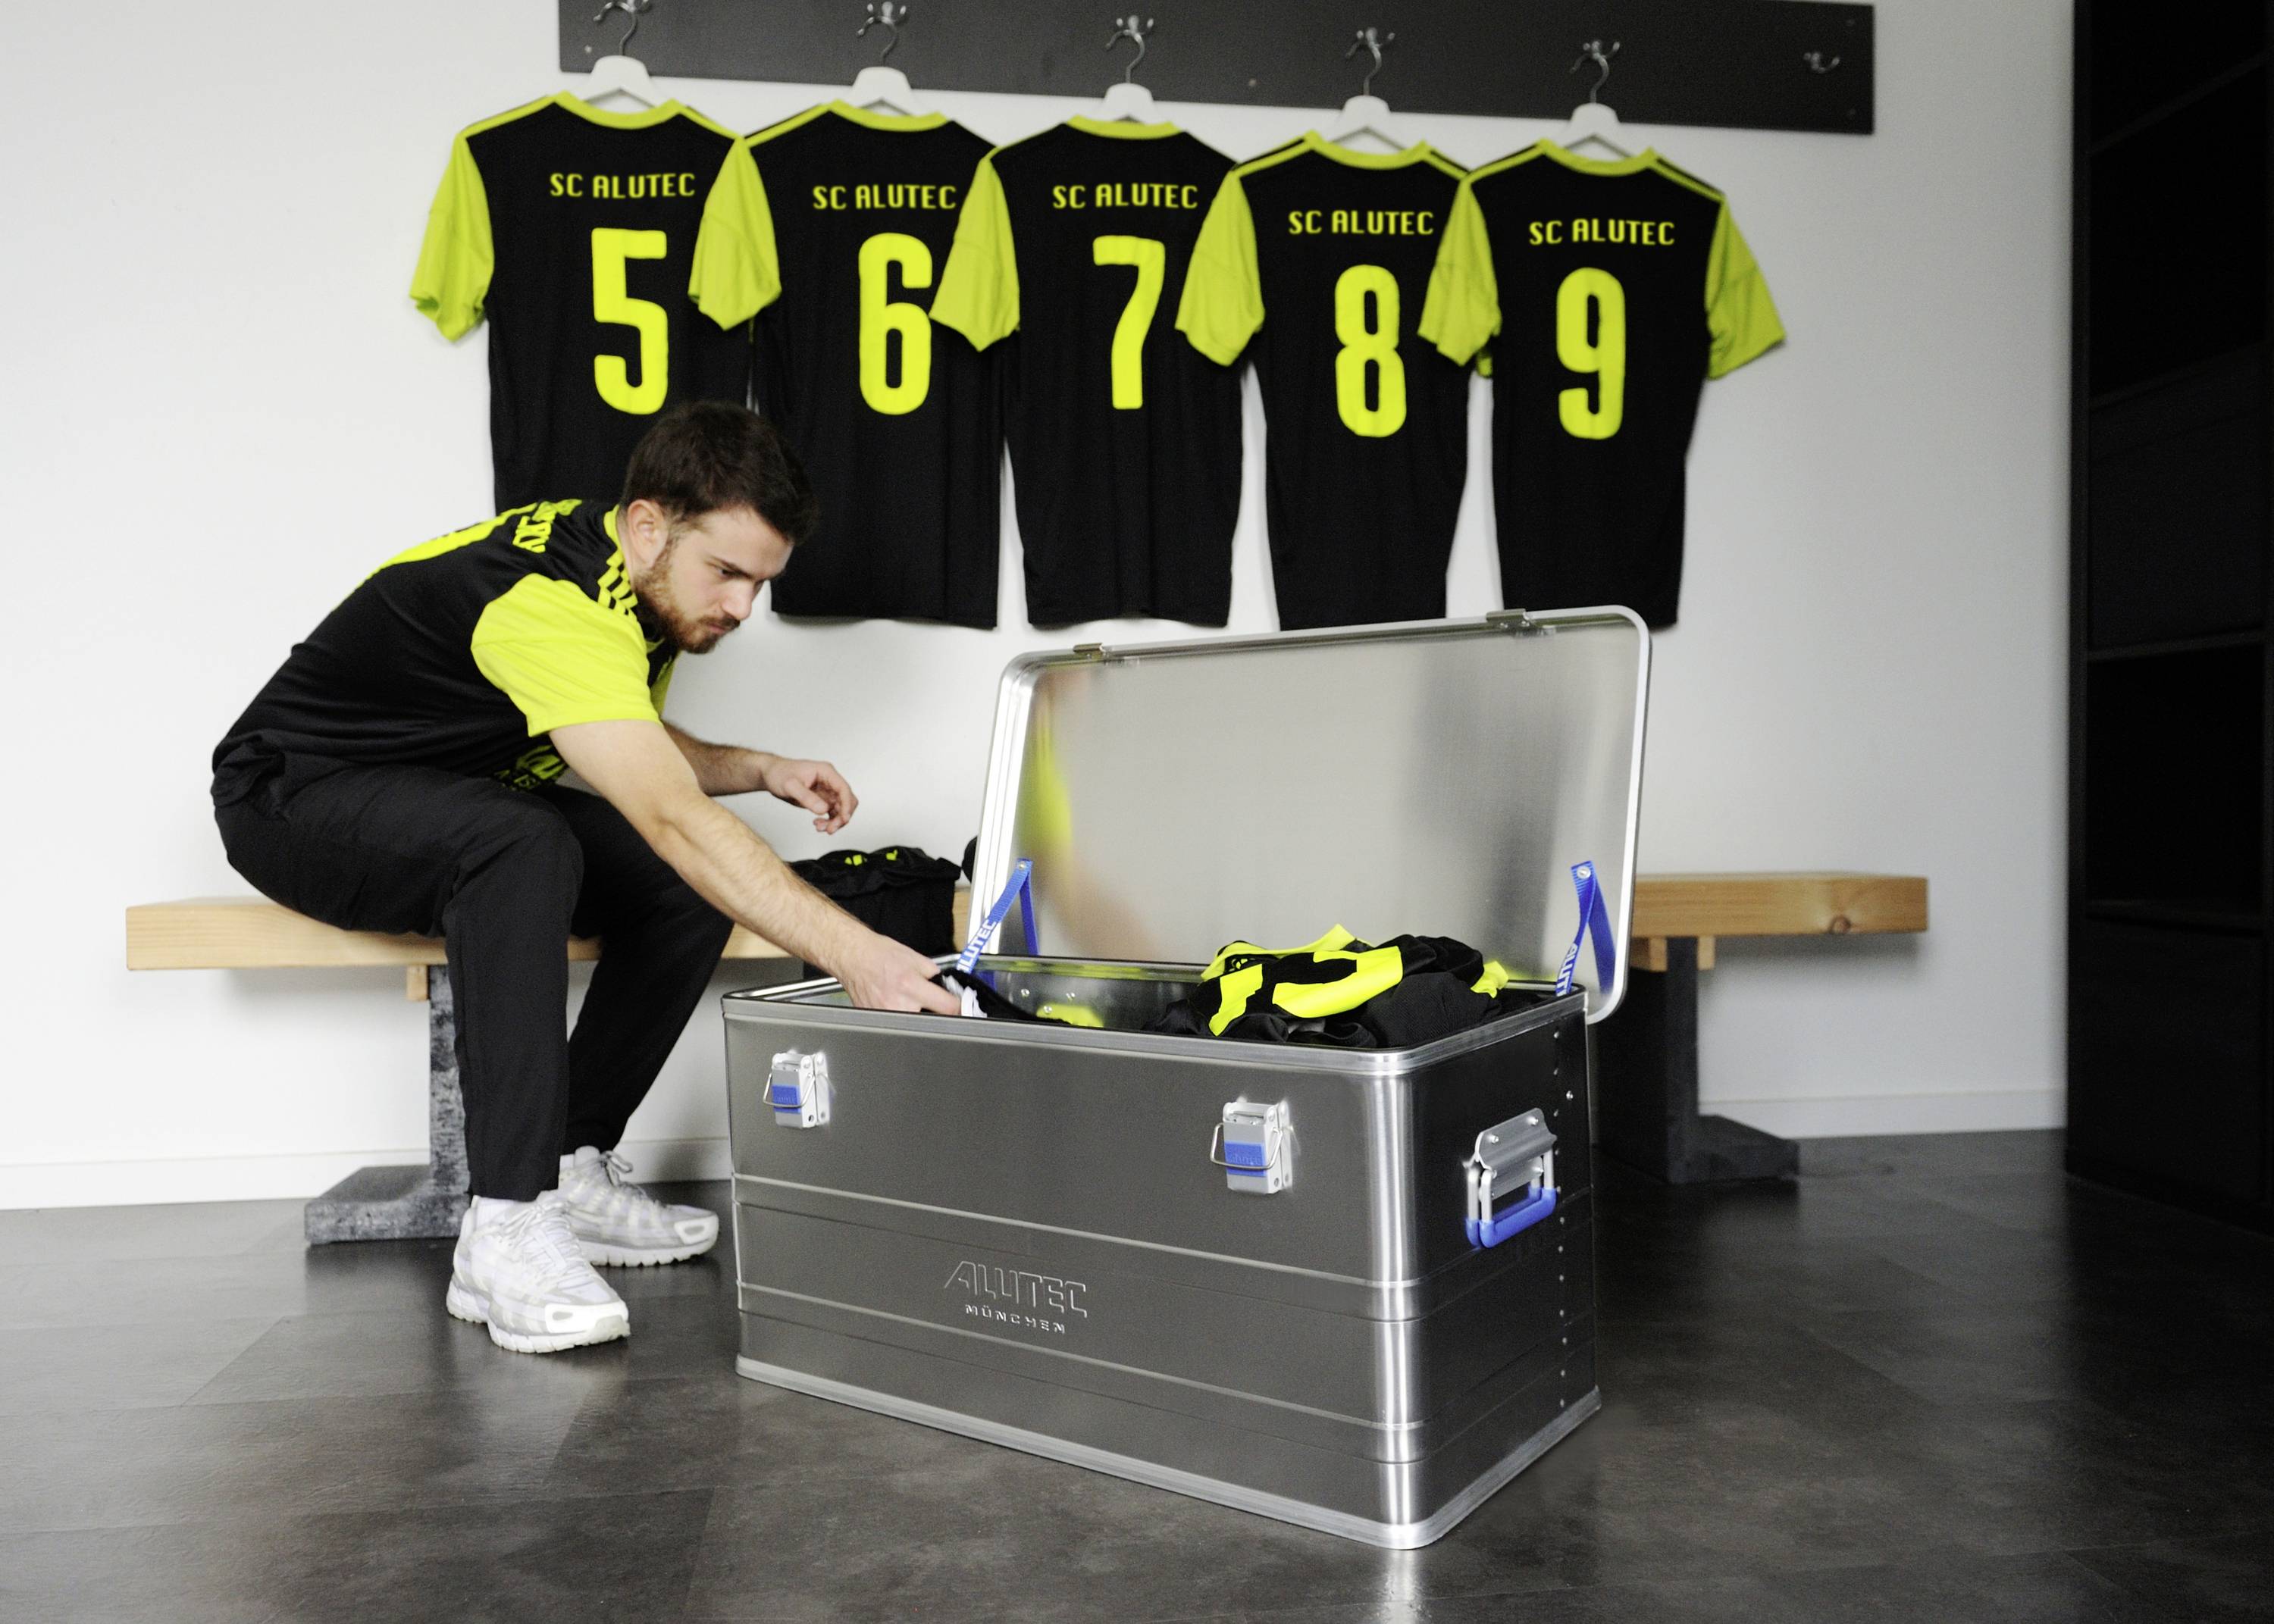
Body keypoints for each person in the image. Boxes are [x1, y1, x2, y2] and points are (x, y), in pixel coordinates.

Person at [211, 402, 960, 1354]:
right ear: (651, 525)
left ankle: (568, 1161)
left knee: (669, 879)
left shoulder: (631, 579)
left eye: (760, 583)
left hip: (438, 791)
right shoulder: (549, 601)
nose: (740, 607)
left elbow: (619, 735)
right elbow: (670, 812)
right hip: (293, 795)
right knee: (526, 843)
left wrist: (755, 766)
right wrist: (859, 956)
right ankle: (506, 1225)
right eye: (726, 572)